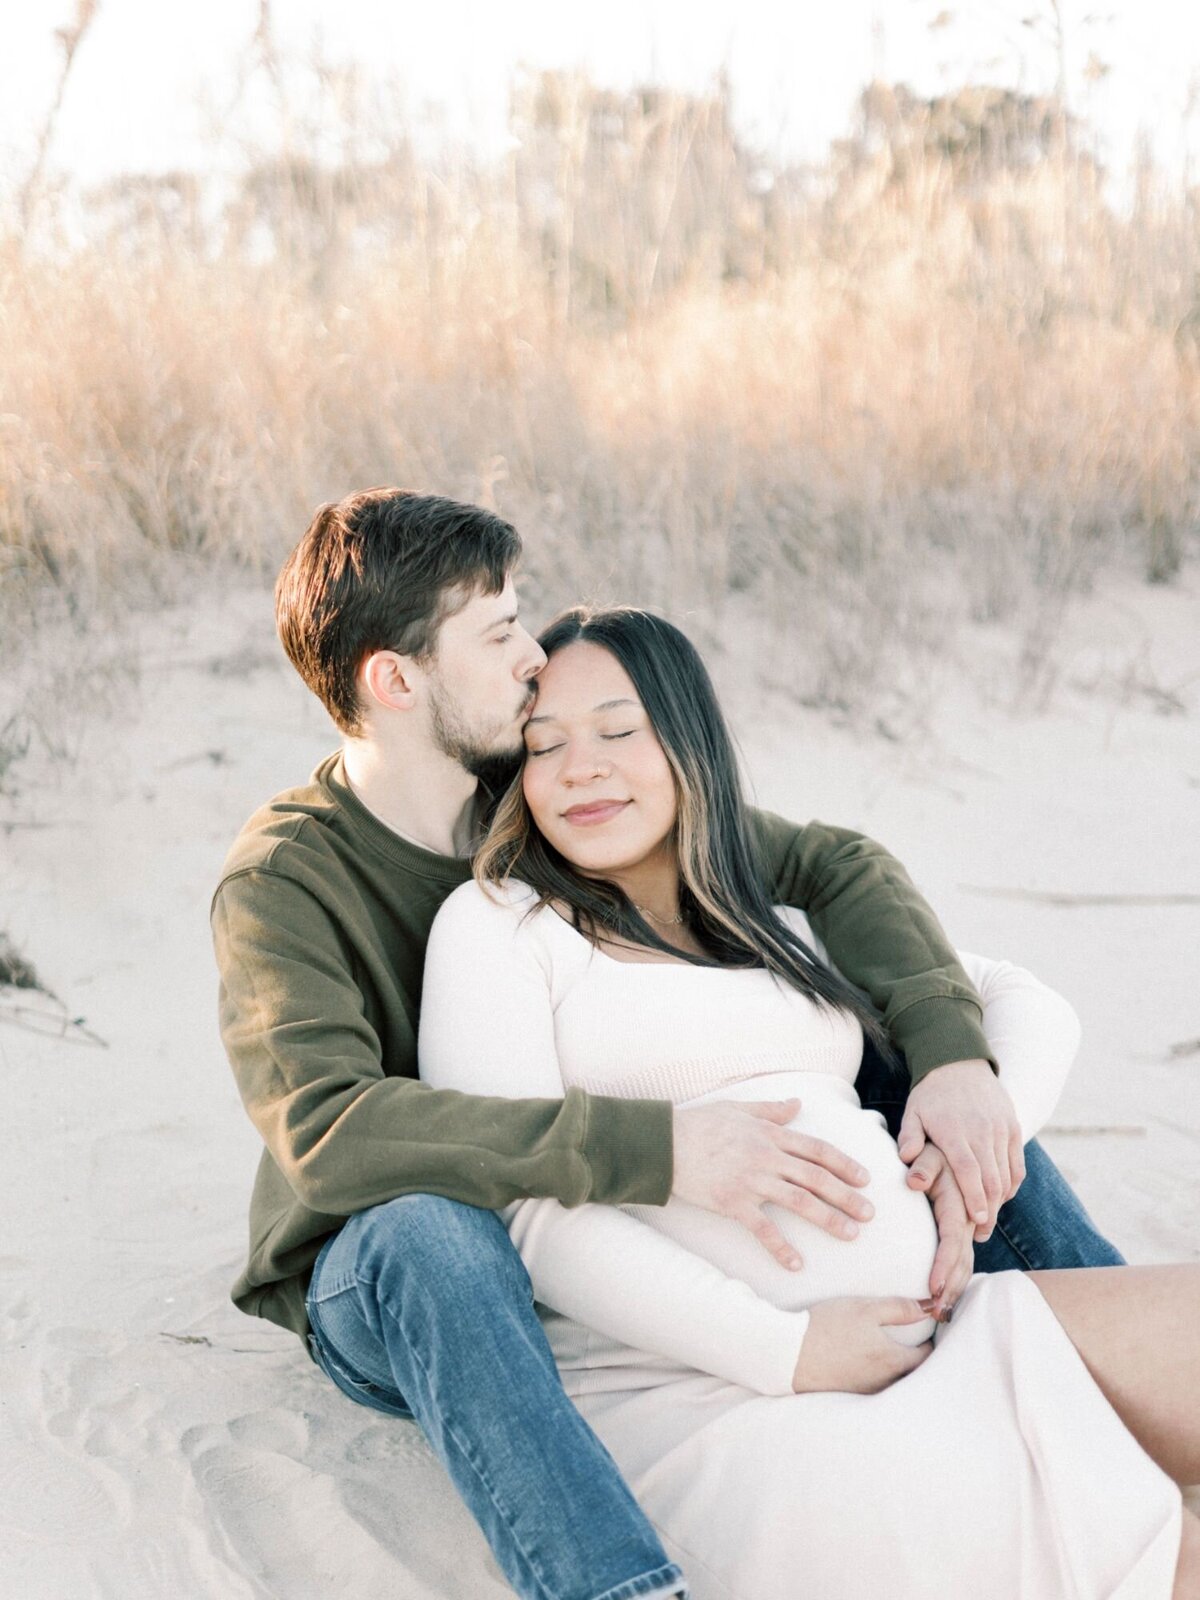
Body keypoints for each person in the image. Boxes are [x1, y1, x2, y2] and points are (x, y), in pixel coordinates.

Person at [212, 488, 1126, 1600]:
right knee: (432, 1229)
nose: (529, 663)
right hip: (394, 1277)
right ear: (395, 680)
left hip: (572, 1202)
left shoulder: (537, 778)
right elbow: (332, 1136)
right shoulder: (286, 878)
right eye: (497, 633)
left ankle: (1124, 1365)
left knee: (918, 1063)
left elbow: (832, 864)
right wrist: (668, 1150)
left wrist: (950, 1058)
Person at [416, 604, 1199, 1599]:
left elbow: (1023, 1001)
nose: (581, 768)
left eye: (619, 731)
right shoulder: (500, 925)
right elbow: (524, 1211)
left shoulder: (765, 914)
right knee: (1154, 1551)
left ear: (689, 741)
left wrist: (972, 1120)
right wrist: (786, 1349)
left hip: (943, 1325)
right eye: (545, 745)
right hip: (716, 1386)